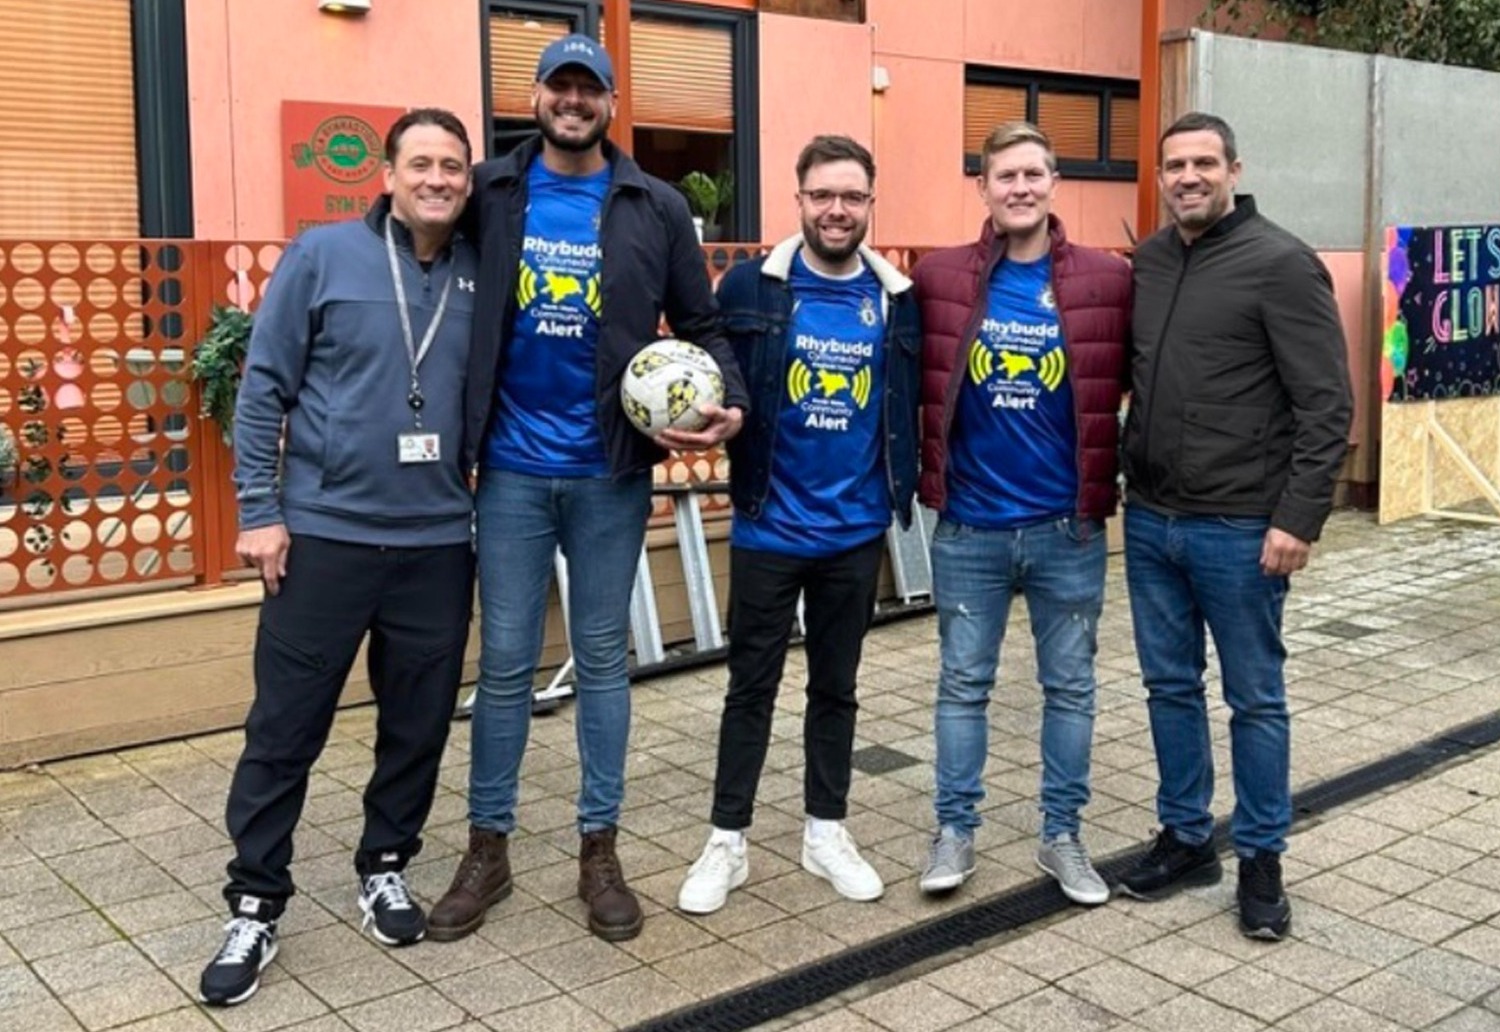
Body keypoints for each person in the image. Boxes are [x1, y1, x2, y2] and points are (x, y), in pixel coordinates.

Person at [428, 34, 748, 944]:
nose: (573, 101)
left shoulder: (654, 206)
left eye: (590, 89)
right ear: (535, 97)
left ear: (611, 103)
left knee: (604, 662)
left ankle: (597, 846)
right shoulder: (490, 191)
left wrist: (733, 406)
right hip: (514, 473)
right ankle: (487, 847)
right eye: (560, 87)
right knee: (505, 666)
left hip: (610, 472)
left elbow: (706, 325)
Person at [199, 108, 479, 1007]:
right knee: (285, 729)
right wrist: (260, 512)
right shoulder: (322, 256)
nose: (438, 179)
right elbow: (264, 384)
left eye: (453, 168)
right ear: (389, 176)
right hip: (324, 537)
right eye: (421, 164)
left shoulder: (482, 271)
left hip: (438, 542)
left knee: (418, 724)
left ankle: (386, 864)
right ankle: (254, 900)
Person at [1116, 111, 1352, 941]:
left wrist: (1299, 517)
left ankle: (1260, 858)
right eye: (1175, 164)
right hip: (1150, 522)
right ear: (1161, 174)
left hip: (1243, 530)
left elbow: (1326, 403)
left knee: (1255, 699)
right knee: (1169, 687)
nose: (1188, 176)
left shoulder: (1282, 264)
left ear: (1233, 169)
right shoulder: (1145, 262)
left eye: (1204, 163)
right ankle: (1186, 837)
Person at [675, 135, 921, 914]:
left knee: (836, 689)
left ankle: (826, 830)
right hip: (765, 528)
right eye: (823, 195)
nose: (837, 210)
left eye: (851, 196)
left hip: (854, 532)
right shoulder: (752, 286)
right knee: (750, 688)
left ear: (869, 205)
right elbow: (714, 368)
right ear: (800, 200)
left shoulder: (895, 298)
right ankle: (727, 842)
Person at [911, 121, 1130, 906]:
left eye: (1033, 173)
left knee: (1070, 687)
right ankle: (954, 831)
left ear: (1053, 181)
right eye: (1005, 175)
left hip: (1066, 529)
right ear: (983, 187)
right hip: (969, 526)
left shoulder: (1106, 279)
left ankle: (1062, 836)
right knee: (962, 684)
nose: (1020, 188)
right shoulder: (940, 277)